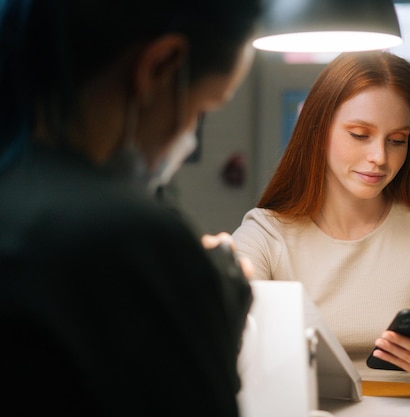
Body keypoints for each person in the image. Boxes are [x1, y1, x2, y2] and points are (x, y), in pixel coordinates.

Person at [0, 1, 260, 415]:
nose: (191, 132)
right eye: (204, 108)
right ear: (160, 66)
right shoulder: (124, 235)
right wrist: (213, 297)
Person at [232, 51, 410, 383]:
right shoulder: (266, 233)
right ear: (318, 131)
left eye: (397, 141)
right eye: (360, 135)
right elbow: (224, 335)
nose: (379, 157)